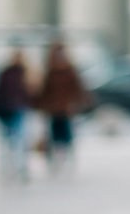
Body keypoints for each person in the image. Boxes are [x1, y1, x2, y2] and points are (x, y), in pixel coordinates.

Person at [34, 41, 91, 175]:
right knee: (53, 136)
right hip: (53, 109)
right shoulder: (50, 70)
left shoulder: (70, 70)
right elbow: (44, 91)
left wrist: (80, 102)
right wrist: (41, 105)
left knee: (66, 136)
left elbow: (78, 88)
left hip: (66, 109)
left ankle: (66, 158)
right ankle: (54, 159)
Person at [0, 47, 34, 183]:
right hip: (7, 110)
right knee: (10, 140)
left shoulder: (28, 74)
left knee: (19, 140)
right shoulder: (7, 73)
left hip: (19, 110)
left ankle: (20, 167)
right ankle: (10, 166)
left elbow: (33, 93)